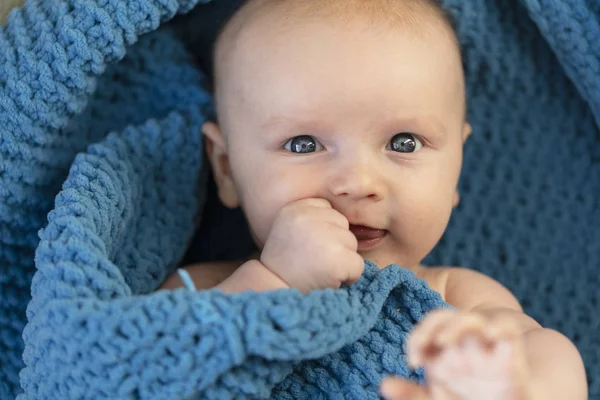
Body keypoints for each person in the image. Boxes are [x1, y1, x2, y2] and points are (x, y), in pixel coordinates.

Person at [160, 0, 588, 398]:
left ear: (456, 166)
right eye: (303, 144)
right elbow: (147, 368)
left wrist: (508, 385)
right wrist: (276, 282)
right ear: (228, 168)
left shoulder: (455, 296)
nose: (359, 183)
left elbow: (541, 351)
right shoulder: (203, 289)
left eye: (404, 142)